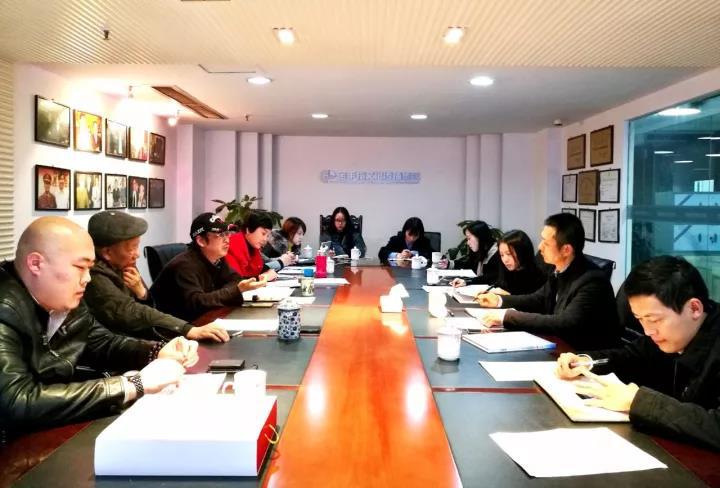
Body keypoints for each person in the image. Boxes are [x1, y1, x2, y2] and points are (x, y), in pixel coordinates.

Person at [0, 217, 197, 436]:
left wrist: (157, 351)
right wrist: (133, 384)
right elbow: (16, 401)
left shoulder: (61, 297)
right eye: (79, 267)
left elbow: (101, 342)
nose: (87, 279)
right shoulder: (5, 307)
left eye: (89, 269)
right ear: (36, 264)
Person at [556, 256, 720, 450]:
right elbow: (630, 356)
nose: (648, 331)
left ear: (694, 308)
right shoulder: (670, 335)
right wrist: (585, 362)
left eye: (654, 319)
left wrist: (638, 402)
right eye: (640, 319)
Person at [475, 213, 621, 349]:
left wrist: (507, 316)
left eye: (546, 243)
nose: (540, 247)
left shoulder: (592, 281)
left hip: (583, 355)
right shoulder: (558, 269)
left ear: (566, 250)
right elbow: (538, 299)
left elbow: (564, 323)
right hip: (559, 346)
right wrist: (499, 300)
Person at [84, 211, 230, 343]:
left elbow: (149, 309)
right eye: (131, 248)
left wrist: (142, 294)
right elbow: (130, 313)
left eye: (137, 246)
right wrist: (188, 330)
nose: (137, 254)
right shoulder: (94, 277)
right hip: (119, 348)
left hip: (144, 338)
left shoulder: (124, 264)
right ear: (107, 253)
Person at [150, 212, 266, 322]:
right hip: (173, 329)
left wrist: (231, 290)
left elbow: (235, 280)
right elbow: (198, 303)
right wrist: (235, 291)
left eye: (227, 234)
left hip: (202, 320)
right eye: (220, 235)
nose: (227, 240)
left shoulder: (217, 258)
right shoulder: (183, 266)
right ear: (201, 241)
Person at [486, 230, 546, 295]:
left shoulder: (537, 278)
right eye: (502, 255)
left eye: (509, 254)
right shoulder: (506, 271)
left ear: (522, 252)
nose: (505, 260)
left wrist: (506, 296)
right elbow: (499, 285)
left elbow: (530, 299)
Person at [226, 210, 280, 280]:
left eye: (267, 236)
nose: (265, 239)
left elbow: (259, 268)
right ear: (248, 230)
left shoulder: (252, 247)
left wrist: (268, 271)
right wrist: (263, 278)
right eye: (263, 233)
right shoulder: (231, 246)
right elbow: (236, 281)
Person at [448, 220, 500, 286]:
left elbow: (490, 278)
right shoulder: (480, 249)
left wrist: (467, 281)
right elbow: (469, 264)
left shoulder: (497, 253)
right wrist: (449, 264)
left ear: (480, 237)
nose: (467, 243)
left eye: (469, 238)